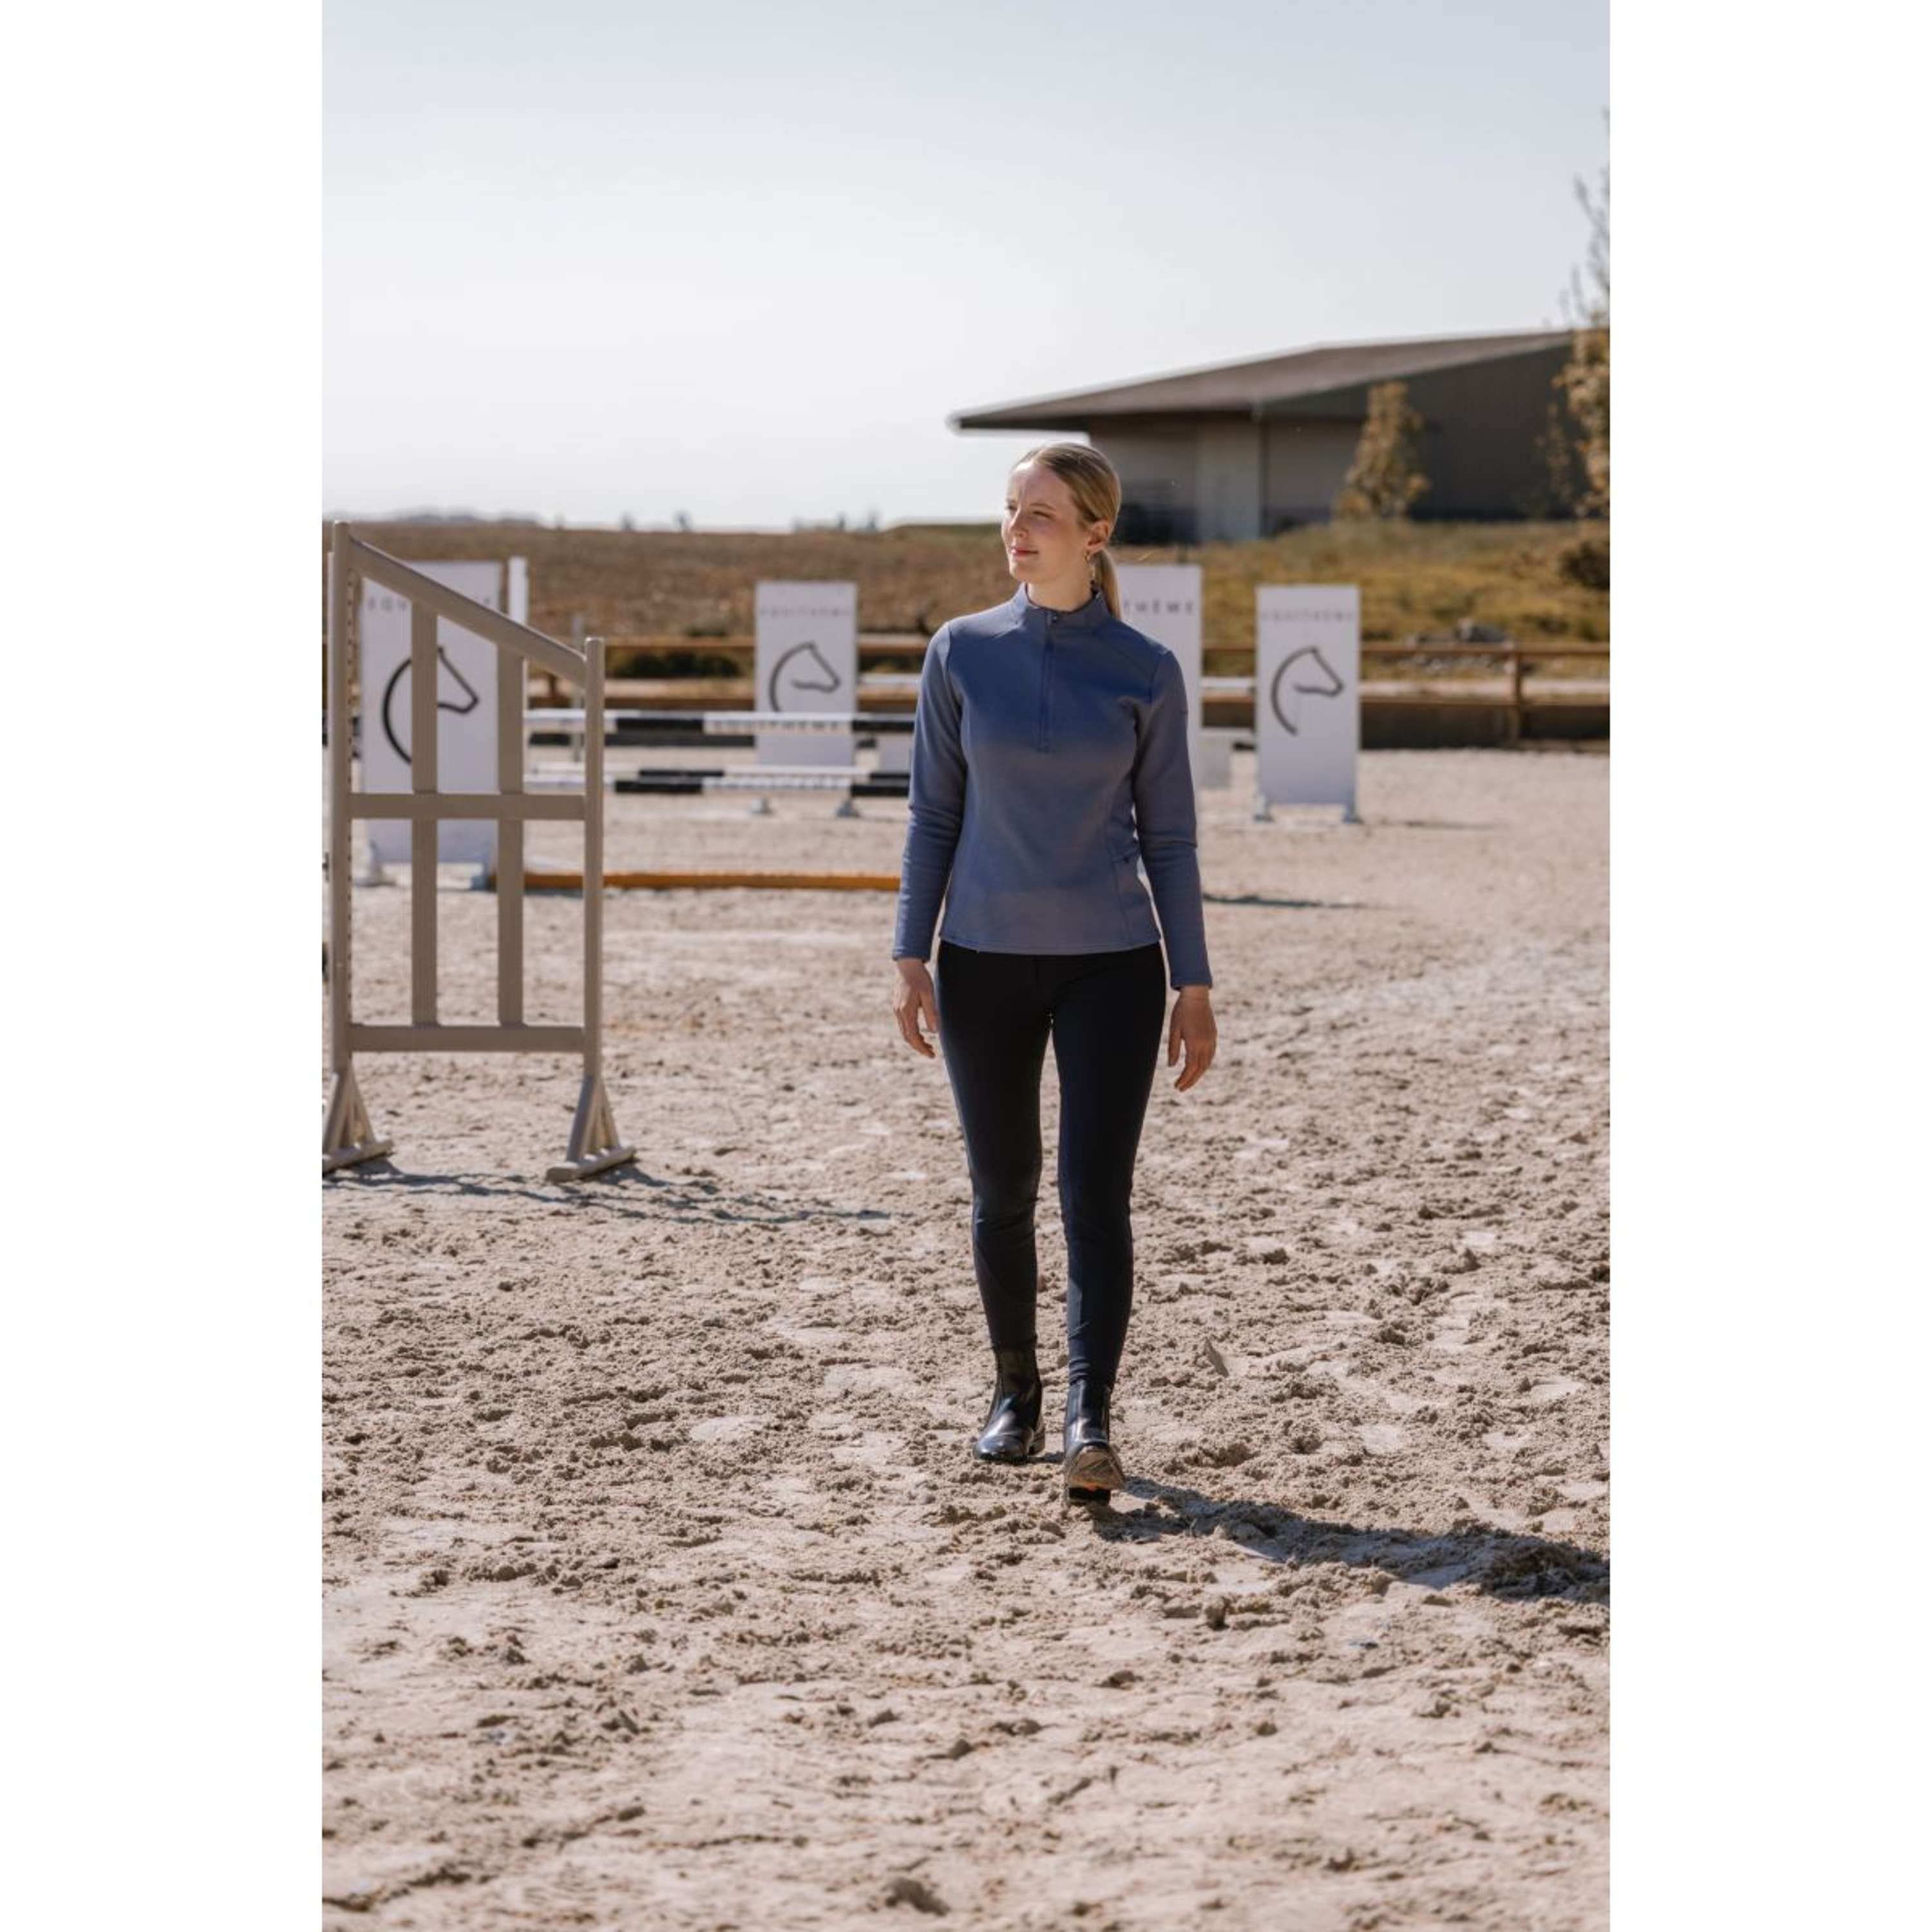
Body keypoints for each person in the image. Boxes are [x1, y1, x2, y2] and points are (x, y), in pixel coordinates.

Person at [889, 442, 1217, 1505]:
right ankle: (1015, 1394)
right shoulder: (959, 652)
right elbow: (933, 813)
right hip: (981, 962)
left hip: (1113, 969)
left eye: (1039, 514)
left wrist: (1194, 982)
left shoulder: (1145, 671)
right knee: (1001, 1192)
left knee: (1094, 1198)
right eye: (1010, 510)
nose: (1016, 531)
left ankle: (1090, 1416)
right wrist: (909, 951)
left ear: (1094, 532)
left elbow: (1171, 839)